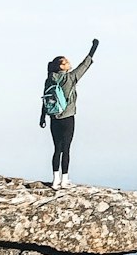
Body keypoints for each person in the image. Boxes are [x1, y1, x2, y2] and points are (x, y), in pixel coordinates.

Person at [39, 39, 99, 186]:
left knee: (57, 149)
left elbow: (44, 98)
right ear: (61, 66)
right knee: (66, 148)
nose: (69, 62)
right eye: (66, 62)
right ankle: (64, 179)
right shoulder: (70, 78)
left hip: (53, 117)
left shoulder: (49, 79)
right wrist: (94, 48)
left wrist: (42, 117)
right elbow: (85, 65)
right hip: (68, 118)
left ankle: (55, 180)